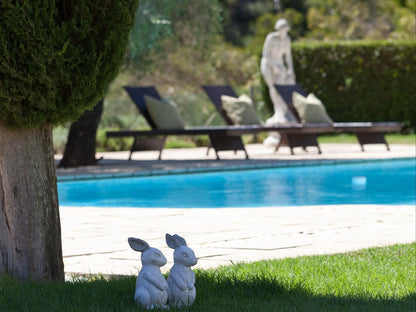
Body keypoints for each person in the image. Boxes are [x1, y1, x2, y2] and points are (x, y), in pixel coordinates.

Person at [260, 18, 297, 145]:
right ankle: (278, 111)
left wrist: (290, 70)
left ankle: (282, 111)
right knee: (273, 88)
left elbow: (288, 56)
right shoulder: (271, 38)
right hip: (269, 65)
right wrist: (274, 67)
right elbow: (265, 54)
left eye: (285, 29)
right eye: (282, 29)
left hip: (280, 65)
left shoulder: (287, 40)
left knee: (281, 89)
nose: (283, 32)